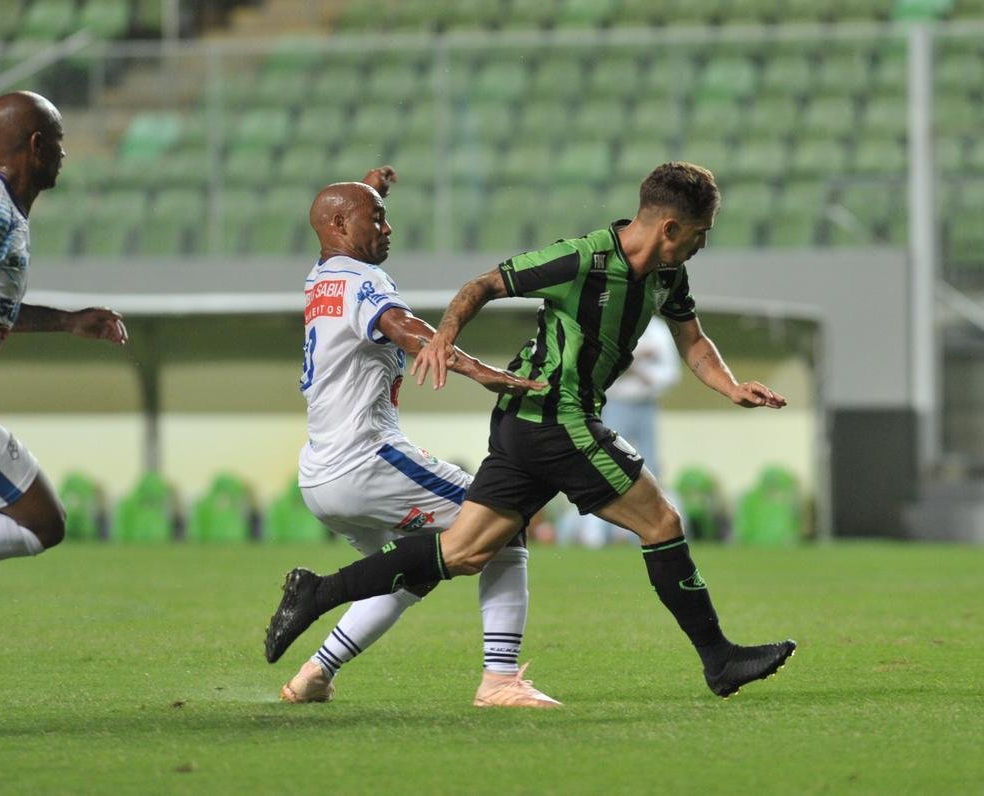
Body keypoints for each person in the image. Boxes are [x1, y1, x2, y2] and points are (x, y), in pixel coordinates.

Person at [266, 162, 796, 699]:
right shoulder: (582, 258)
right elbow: (484, 285)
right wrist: (449, 341)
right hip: (554, 415)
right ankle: (719, 660)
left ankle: (322, 593)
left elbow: (694, 341)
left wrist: (729, 387)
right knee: (660, 520)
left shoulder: (668, 274)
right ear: (670, 228)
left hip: (525, 420)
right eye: (700, 234)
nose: (702, 246)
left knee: (466, 552)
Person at [280, 169, 559, 708]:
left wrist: (370, 191)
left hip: (320, 475)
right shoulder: (365, 282)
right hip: (367, 461)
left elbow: (345, 225)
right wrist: (484, 373)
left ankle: (313, 675)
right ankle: (499, 681)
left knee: (413, 569)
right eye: (375, 219)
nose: (387, 227)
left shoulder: (322, 276)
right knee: (504, 525)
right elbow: (404, 328)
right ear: (339, 224)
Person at [0, 91, 127, 568]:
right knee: (42, 521)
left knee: (43, 522)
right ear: (37, 144)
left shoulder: (6, 215)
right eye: (59, 142)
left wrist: (65, 320)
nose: (65, 153)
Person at [571, 315, 679, 547]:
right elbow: (597, 366)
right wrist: (637, 359)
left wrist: (634, 365)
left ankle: (645, 532)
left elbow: (671, 373)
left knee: (650, 469)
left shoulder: (657, 329)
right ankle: (596, 534)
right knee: (605, 466)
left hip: (647, 404)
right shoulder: (612, 322)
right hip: (613, 404)